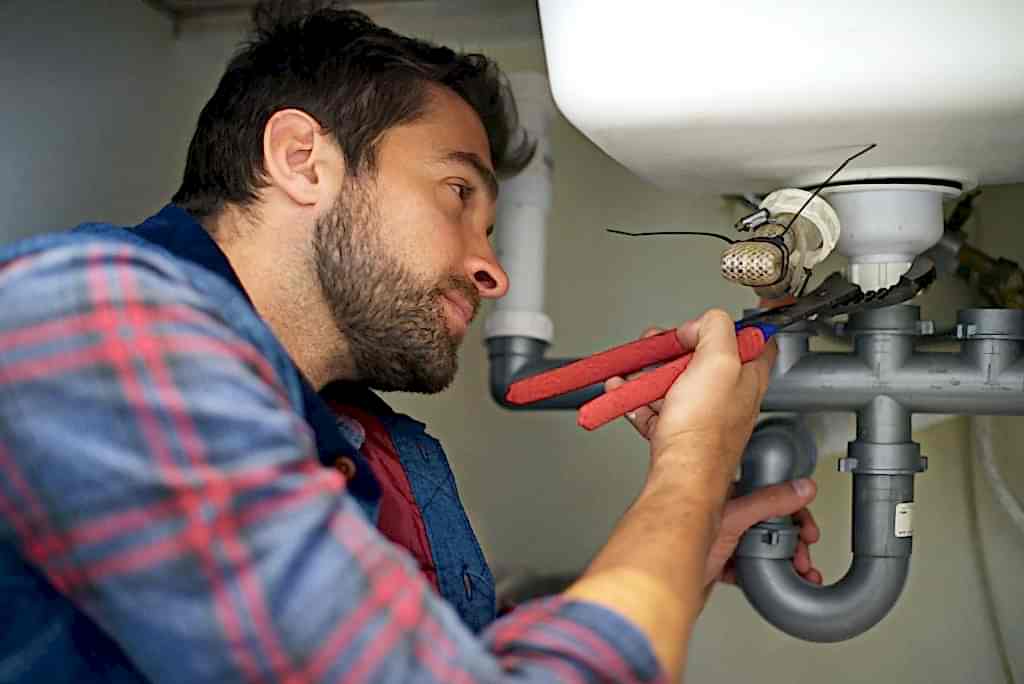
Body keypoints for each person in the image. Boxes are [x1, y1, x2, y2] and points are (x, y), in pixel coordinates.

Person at [0, 3, 821, 682]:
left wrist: (685, 537)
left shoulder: (370, 446)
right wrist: (692, 467)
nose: (491, 269)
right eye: (458, 192)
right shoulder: (97, 315)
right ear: (301, 160)